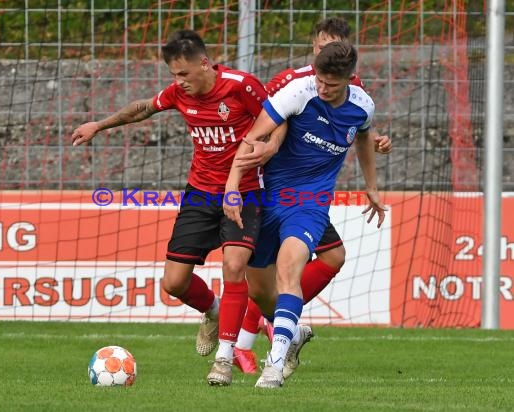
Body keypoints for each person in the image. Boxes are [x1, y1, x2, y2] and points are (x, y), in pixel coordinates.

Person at [71, 29, 268, 387]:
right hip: (200, 194)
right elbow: (144, 108)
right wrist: (99, 125)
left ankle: (224, 359)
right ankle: (213, 312)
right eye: (174, 76)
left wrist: (257, 162)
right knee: (174, 282)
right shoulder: (178, 94)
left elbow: (275, 122)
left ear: (204, 64)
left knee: (234, 265)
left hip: (246, 191)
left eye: (184, 74)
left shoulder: (242, 86)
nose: (179, 82)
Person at [232, 16, 393, 376]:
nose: (322, 88)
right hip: (266, 195)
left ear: (349, 73)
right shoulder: (296, 86)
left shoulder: (362, 102)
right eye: (319, 48)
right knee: (259, 287)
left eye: (330, 84)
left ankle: (270, 366)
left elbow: (364, 134)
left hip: (309, 202)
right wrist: (238, 178)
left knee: (292, 268)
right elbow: (259, 130)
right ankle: (289, 331)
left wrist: (371, 187)